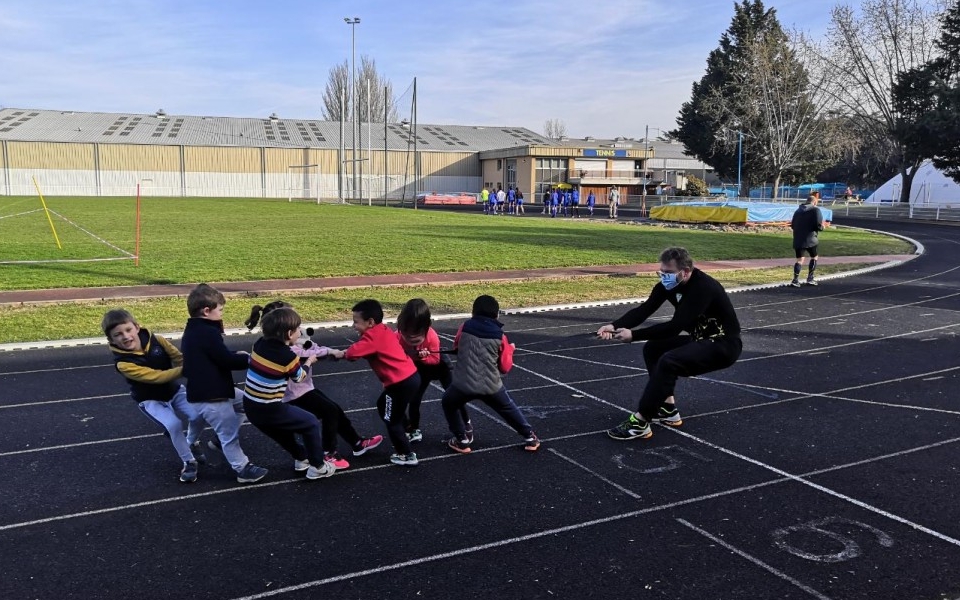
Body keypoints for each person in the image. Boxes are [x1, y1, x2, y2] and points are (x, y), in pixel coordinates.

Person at [597, 247, 742, 441]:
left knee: (669, 360)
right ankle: (667, 408)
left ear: (685, 272)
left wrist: (634, 335)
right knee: (654, 349)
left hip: (723, 345)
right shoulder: (667, 286)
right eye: (661, 272)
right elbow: (644, 309)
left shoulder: (703, 287)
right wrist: (614, 325)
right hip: (701, 338)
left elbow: (675, 327)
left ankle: (640, 421)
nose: (664, 276)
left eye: (669, 273)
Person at [245, 301, 383, 469]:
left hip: (303, 388)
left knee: (334, 410)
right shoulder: (285, 351)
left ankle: (357, 443)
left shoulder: (272, 341)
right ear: (286, 331)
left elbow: (312, 346)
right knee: (326, 413)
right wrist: (330, 353)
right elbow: (306, 356)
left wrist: (328, 352)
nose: (300, 330)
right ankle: (328, 453)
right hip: (292, 394)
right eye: (296, 327)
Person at [102, 309, 206, 483]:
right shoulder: (123, 363)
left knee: (199, 415)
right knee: (174, 425)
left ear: (136, 327)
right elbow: (156, 377)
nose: (125, 336)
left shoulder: (157, 340)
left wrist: (192, 369)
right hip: (150, 400)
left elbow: (178, 357)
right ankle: (189, 461)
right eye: (118, 335)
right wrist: (186, 369)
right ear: (111, 340)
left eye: (128, 330)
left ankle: (192, 442)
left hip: (173, 391)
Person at [180, 283, 268, 484]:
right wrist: (246, 360)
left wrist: (232, 354)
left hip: (200, 390)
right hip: (213, 394)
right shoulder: (207, 333)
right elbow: (223, 360)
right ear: (206, 311)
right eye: (220, 310)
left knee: (244, 404)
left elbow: (210, 355)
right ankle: (242, 468)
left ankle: (191, 442)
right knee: (228, 432)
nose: (222, 314)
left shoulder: (194, 329)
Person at [242, 306, 336, 481]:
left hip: (251, 405)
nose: (300, 332)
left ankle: (301, 458)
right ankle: (318, 467)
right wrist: (309, 361)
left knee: (283, 433)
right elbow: (299, 377)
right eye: (297, 330)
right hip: (269, 408)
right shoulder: (287, 356)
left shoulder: (259, 343)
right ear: (288, 334)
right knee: (310, 423)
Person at [441, 295, 541, 454]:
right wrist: (510, 350)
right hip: (491, 386)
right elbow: (504, 367)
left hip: (463, 385)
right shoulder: (500, 336)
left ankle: (462, 440)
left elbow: (457, 346)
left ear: (473, 313)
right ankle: (530, 437)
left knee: (448, 402)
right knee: (507, 408)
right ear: (496, 315)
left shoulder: (465, 326)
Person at [328, 299, 422, 467]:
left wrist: (338, 353)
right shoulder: (382, 330)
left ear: (370, 322)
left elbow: (352, 353)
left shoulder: (372, 337)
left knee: (391, 420)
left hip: (400, 384)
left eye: (356, 322)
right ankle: (407, 431)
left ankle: (406, 454)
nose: (353, 325)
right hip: (410, 377)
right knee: (383, 404)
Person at [395, 298, 472, 444]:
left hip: (439, 365)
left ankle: (466, 423)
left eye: (416, 341)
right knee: (414, 400)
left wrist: (423, 358)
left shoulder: (431, 337)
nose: (412, 342)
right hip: (419, 369)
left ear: (426, 329)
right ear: (401, 328)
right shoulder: (397, 336)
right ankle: (414, 429)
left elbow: (435, 361)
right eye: (407, 338)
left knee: (455, 395)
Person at [790, 191, 825, 287]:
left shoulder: (797, 211)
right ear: (814, 202)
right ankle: (810, 278)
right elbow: (818, 225)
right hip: (811, 239)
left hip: (798, 238)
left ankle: (795, 280)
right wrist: (822, 227)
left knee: (799, 260)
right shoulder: (815, 210)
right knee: (814, 257)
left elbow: (792, 225)